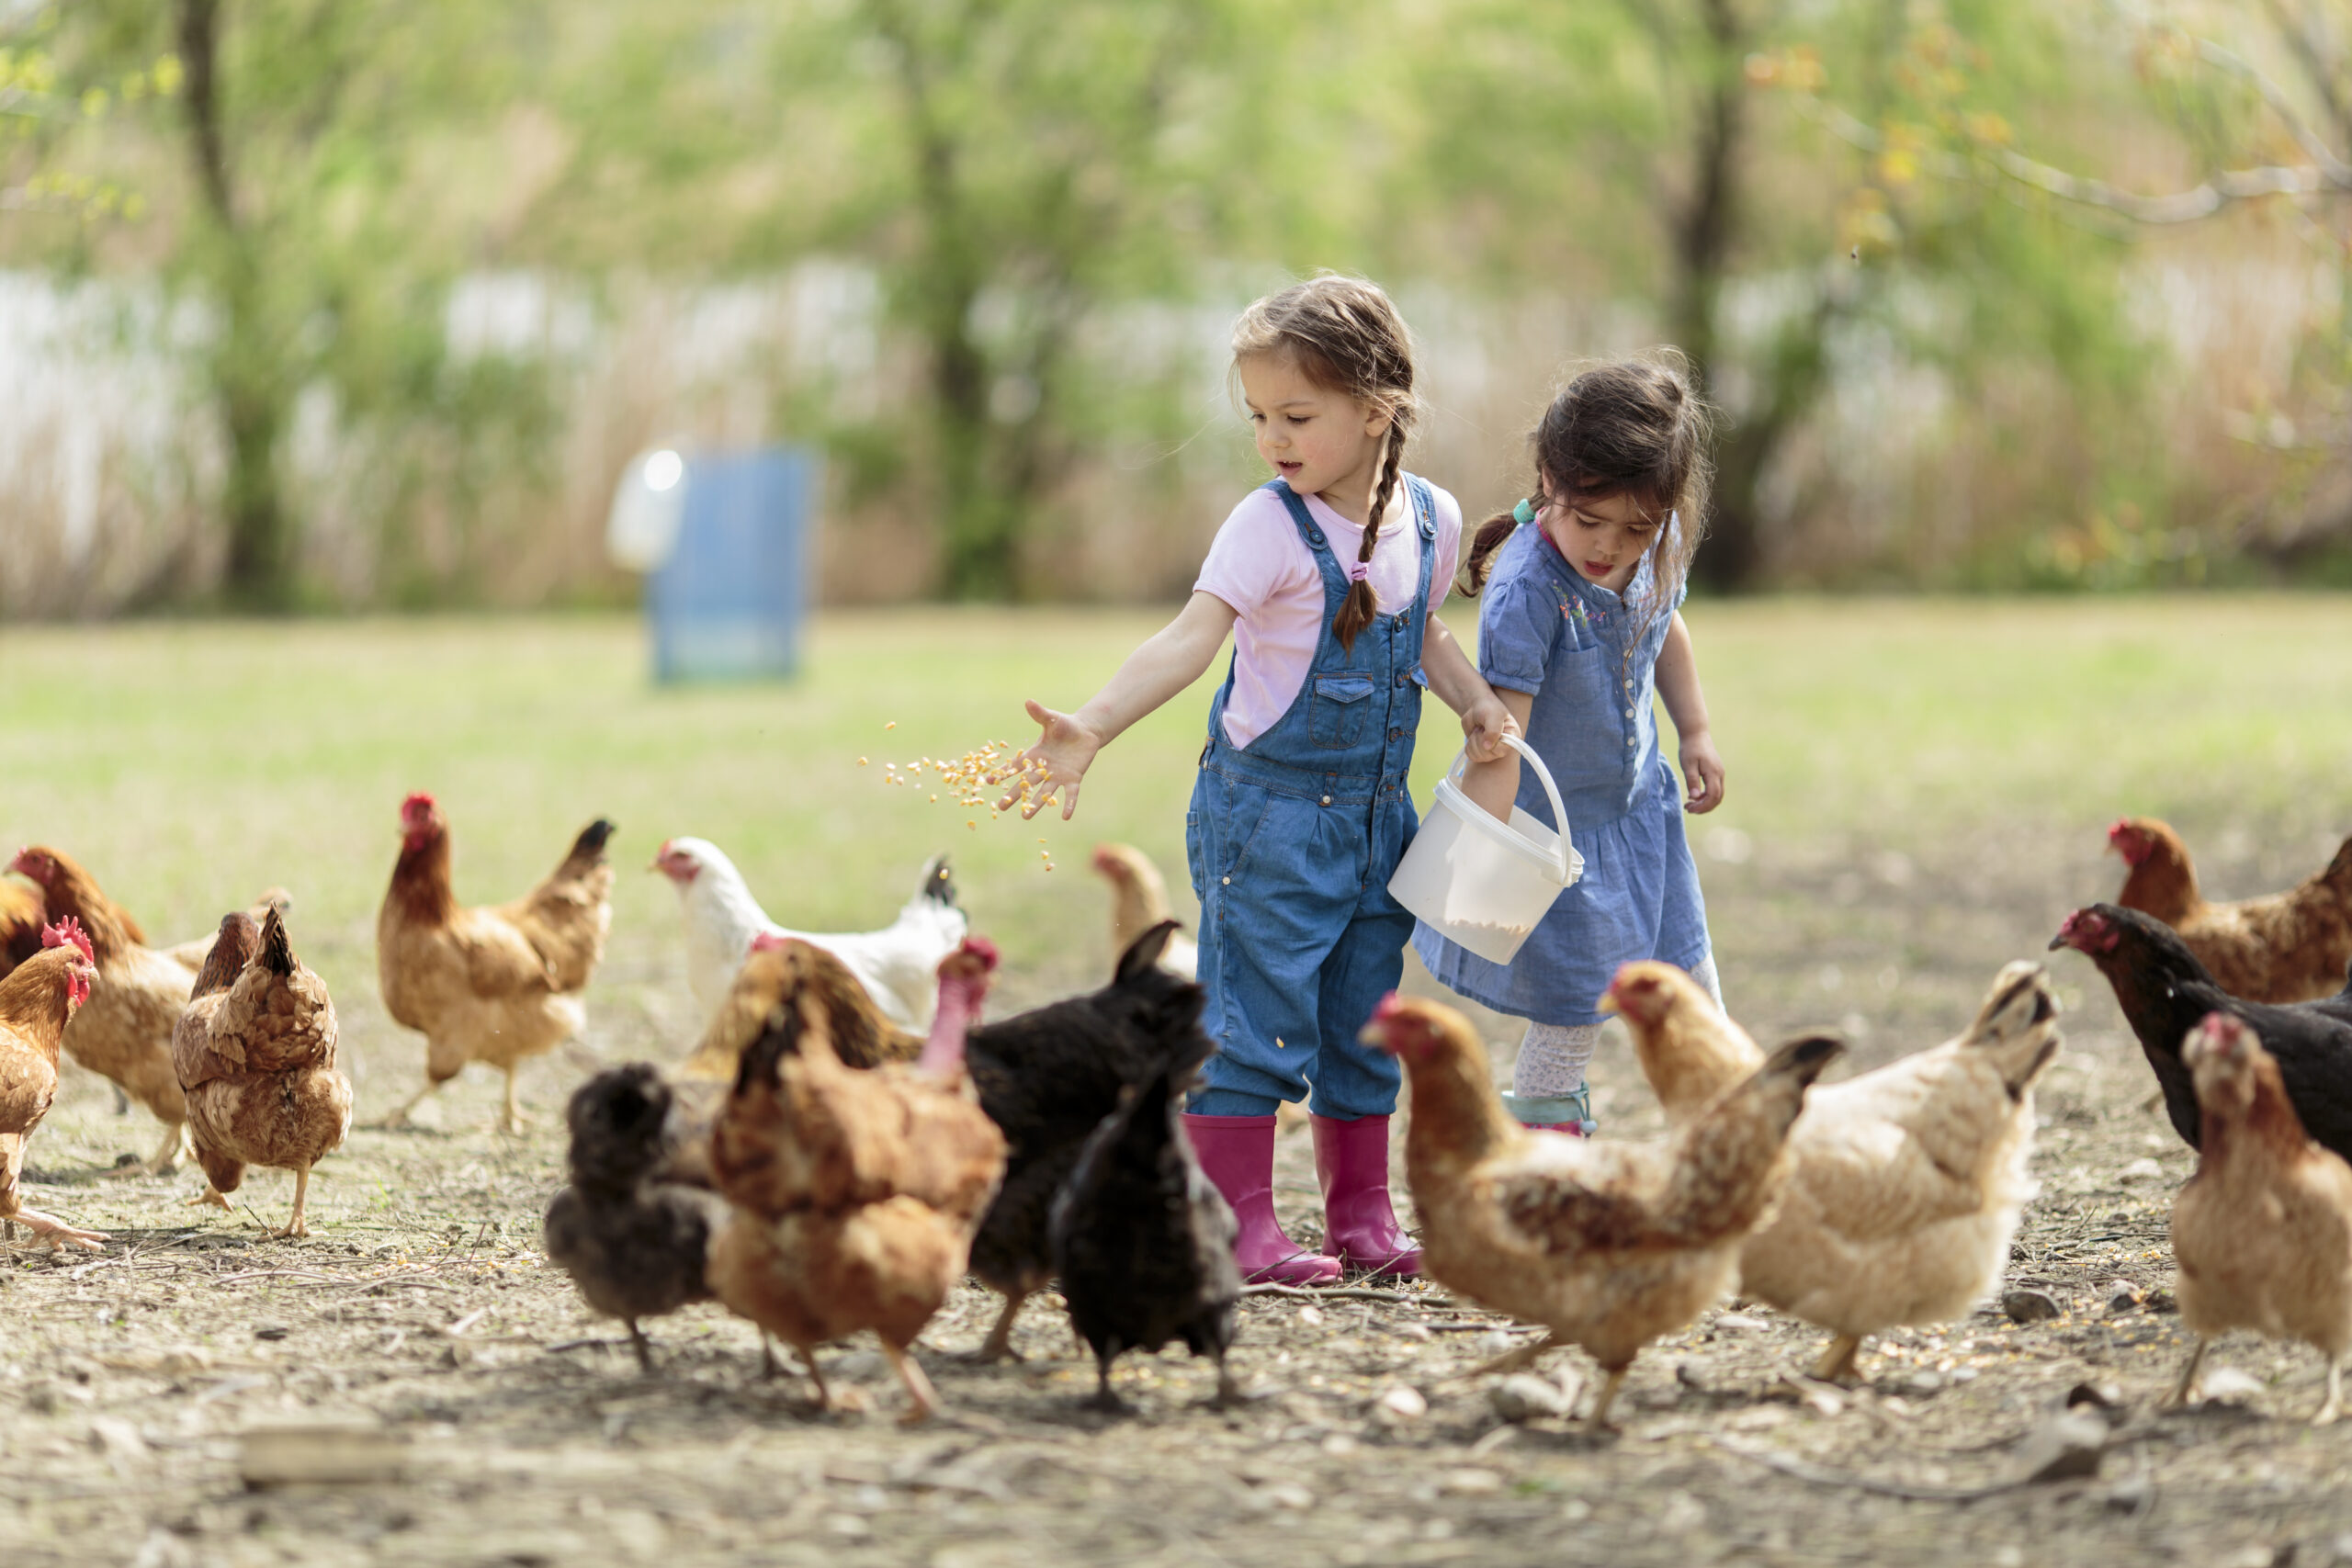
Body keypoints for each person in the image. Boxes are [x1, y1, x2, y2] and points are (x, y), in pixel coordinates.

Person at [1001, 276, 1515, 1284]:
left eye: (1296, 416)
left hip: (1379, 820)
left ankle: (1361, 1217)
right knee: (1253, 1020)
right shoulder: (1265, 526)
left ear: (1377, 412)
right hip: (1266, 819)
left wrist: (1474, 701)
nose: (1272, 438)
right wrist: (1093, 723)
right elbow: (1190, 640)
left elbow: (1422, 632)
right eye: (1257, 418)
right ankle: (1237, 1223)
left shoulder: (1431, 516)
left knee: (1363, 1018)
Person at [1423, 353, 1727, 1136]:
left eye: (1635, 526)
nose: (1609, 546)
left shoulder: (1653, 547)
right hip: (1563, 843)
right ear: (1549, 481)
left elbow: (1664, 629)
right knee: (1574, 1014)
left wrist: (1694, 729)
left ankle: (1728, 1128)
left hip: (1639, 814)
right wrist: (1479, 859)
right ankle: (1543, 1156)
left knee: (1691, 981)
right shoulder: (1529, 590)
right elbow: (1504, 737)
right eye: (1588, 520)